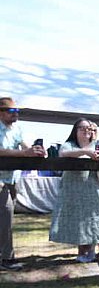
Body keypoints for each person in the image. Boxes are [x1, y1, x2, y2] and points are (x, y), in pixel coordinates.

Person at [49, 118, 99, 262]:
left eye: (88, 128)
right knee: (79, 220)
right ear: (75, 131)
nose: (86, 130)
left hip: (95, 187)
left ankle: (92, 251)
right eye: (82, 128)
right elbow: (64, 153)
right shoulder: (69, 145)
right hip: (74, 189)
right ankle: (82, 251)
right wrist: (86, 152)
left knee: (94, 219)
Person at [0, 97, 47, 270]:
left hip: (12, 179)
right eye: (11, 111)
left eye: (17, 111)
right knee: (4, 217)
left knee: (7, 218)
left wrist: (35, 152)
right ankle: (7, 258)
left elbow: (24, 146)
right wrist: (23, 153)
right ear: (1, 112)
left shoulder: (17, 129)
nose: (15, 114)